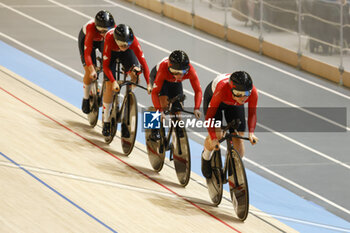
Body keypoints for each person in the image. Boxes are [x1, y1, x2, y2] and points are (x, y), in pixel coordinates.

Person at [201, 71, 259, 179]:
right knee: (218, 135)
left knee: (238, 137)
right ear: (232, 90)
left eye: (246, 94)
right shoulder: (222, 90)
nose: (243, 98)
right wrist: (213, 138)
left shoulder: (252, 93)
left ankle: (234, 165)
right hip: (216, 100)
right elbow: (209, 117)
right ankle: (206, 156)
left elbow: (252, 114)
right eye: (239, 94)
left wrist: (251, 133)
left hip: (234, 104)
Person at [102, 24, 152, 137]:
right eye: (122, 44)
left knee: (136, 75)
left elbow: (143, 64)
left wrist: (149, 83)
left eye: (127, 44)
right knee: (110, 85)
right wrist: (113, 81)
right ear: (116, 40)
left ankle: (128, 98)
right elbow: (106, 66)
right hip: (111, 53)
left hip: (127, 54)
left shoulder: (132, 42)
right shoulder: (109, 39)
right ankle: (106, 120)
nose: (124, 46)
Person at [149, 50, 202, 139]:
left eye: (182, 73)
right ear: (170, 68)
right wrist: (159, 110)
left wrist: (196, 108)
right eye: (175, 72)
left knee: (177, 109)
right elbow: (154, 93)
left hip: (174, 82)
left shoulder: (191, 71)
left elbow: (198, 91)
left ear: (187, 69)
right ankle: (153, 129)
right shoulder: (163, 68)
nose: (179, 75)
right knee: (163, 105)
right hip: (159, 77)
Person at [79, 10, 115, 114]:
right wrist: (91, 69)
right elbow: (87, 54)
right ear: (96, 27)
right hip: (87, 40)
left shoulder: (112, 30)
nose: (104, 33)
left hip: (102, 41)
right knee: (90, 71)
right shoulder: (91, 28)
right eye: (101, 30)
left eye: (106, 30)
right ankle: (86, 98)